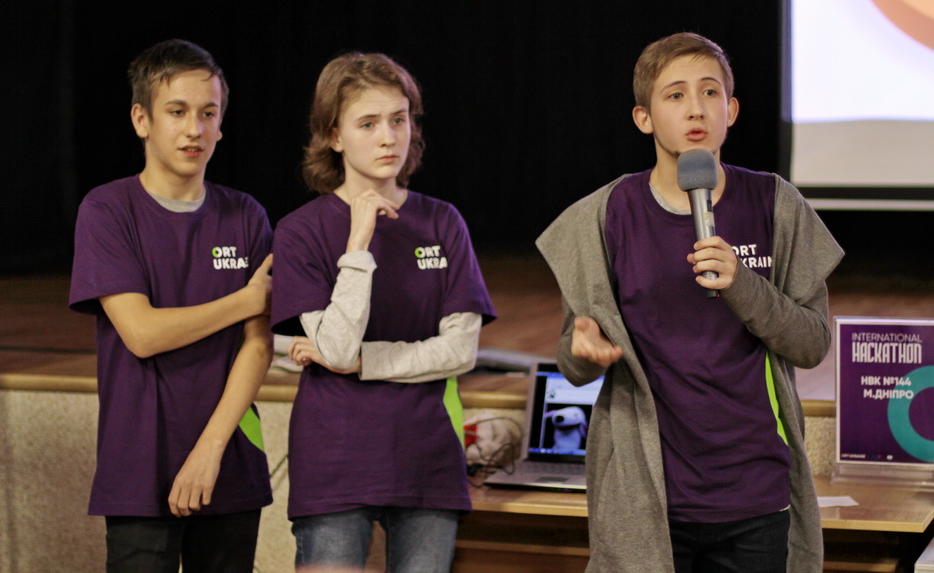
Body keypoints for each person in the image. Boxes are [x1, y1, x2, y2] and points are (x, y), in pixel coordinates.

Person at [536, 33, 844, 573]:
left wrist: (743, 284)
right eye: (675, 95)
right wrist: (584, 353)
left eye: (710, 92)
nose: (696, 108)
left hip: (755, 492)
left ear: (732, 110)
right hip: (647, 498)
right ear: (644, 118)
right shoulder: (604, 217)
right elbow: (574, 364)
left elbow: (812, 344)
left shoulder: (776, 204)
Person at [271, 52, 496, 572]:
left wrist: (363, 363)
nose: (388, 137)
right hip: (335, 461)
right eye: (368, 123)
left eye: (399, 119)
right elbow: (335, 348)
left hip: (426, 460)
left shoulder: (443, 222)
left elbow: (460, 351)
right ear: (334, 135)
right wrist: (358, 245)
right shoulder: (300, 231)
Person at [69, 39, 274, 573]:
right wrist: (245, 300)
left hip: (229, 460)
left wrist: (210, 450)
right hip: (140, 467)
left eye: (209, 113)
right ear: (142, 119)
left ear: (221, 124)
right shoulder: (107, 210)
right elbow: (143, 334)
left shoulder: (246, 215)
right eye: (177, 112)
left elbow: (258, 347)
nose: (194, 129)